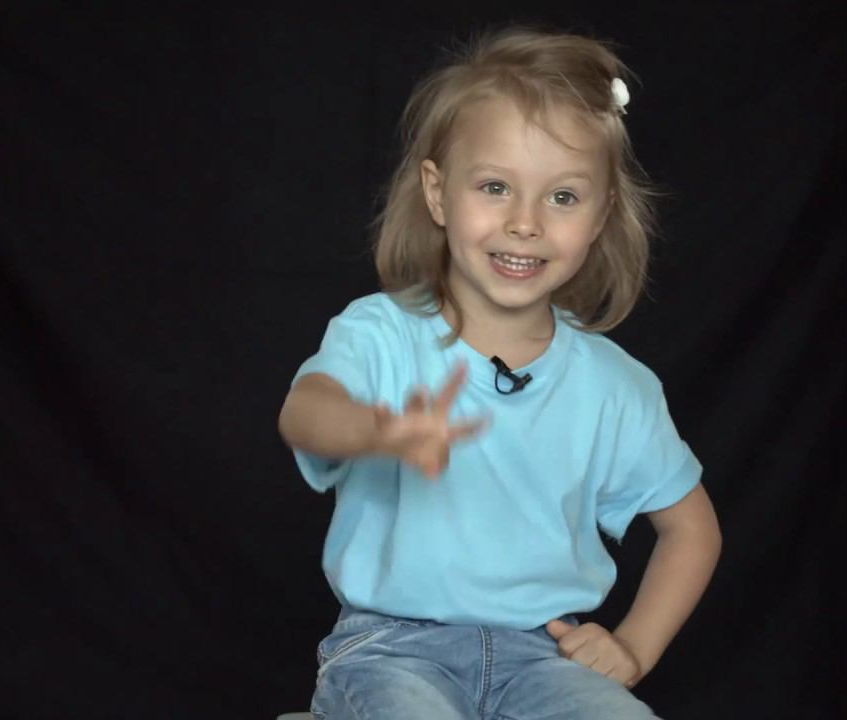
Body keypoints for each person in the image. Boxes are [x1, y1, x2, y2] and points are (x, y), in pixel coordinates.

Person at [278, 25, 722, 720]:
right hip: (393, 651)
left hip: (543, 659)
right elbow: (304, 411)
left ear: (601, 215)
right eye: (495, 187)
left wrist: (634, 648)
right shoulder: (381, 334)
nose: (525, 223)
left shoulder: (616, 386)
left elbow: (693, 529)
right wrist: (376, 430)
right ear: (437, 194)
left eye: (563, 197)